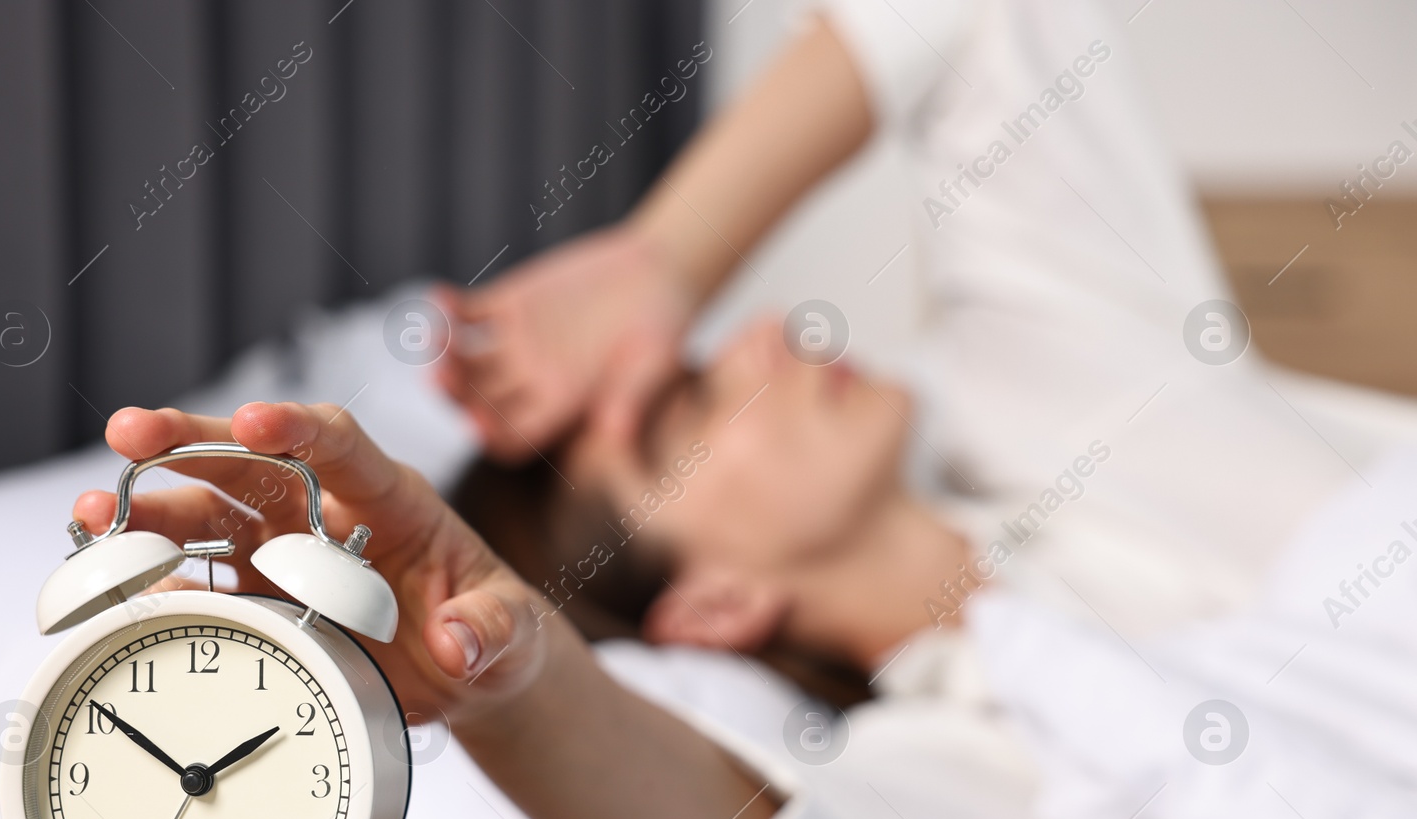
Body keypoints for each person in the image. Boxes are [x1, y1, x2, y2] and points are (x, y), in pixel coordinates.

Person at [436, 0, 1354, 638]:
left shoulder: (1041, 383)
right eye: (691, 408)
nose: (766, 334)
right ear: (714, 606)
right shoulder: (934, 767)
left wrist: (667, 261)